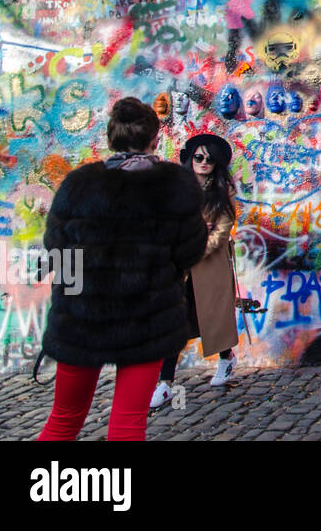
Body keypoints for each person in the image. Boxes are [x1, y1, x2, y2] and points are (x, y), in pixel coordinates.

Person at [36, 98, 206, 440]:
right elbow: (190, 251)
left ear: (110, 139)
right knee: (128, 423)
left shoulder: (77, 185)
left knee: (63, 420)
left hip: (80, 319)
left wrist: (72, 302)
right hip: (147, 320)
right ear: (155, 140)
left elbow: (57, 249)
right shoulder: (175, 187)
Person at [151, 134, 241, 407]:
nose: (204, 163)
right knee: (175, 320)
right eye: (199, 157)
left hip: (209, 264)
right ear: (190, 158)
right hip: (179, 265)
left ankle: (226, 358)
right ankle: (165, 383)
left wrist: (195, 248)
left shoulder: (223, 191)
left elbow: (222, 231)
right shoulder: (175, 189)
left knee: (211, 317)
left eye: (210, 159)